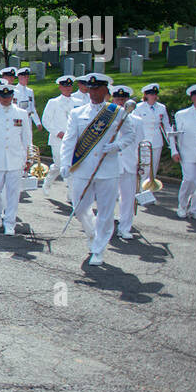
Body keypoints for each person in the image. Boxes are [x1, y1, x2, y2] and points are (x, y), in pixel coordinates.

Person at [61, 73, 138, 266]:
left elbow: (130, 135)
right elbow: (69, 140)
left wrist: (117, 146)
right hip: (83, 169)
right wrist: (65, 163)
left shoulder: (117, 112)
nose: (94, 93)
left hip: (108, 169)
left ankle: (99, 248)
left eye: (98, 89)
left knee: (106, 211)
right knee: (79, 209)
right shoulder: (77, 113)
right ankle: (93, 233)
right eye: (91, 89)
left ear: (106, 91)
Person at [0, 81, 33, 235]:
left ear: (12, 96)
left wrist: (28, 158)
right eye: (2, 96)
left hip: (15, 159)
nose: (5, 99)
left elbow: (27, 138)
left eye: (8, 96)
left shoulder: (21, 114)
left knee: (13, 193)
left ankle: (10, 222)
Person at [40, 75, 83, 193]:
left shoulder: (78, 102)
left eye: (69, 86)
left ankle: (71, 194)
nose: (67, 88)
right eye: (65, 86)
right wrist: (57, 132)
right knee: (59, 164)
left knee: (72, 166)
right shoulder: (53, 102)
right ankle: (48, 182)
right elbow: (46, 120)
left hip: (74, 139)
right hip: (58, 139)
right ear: (60, 87)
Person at [174, 83, 196, 220]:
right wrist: (174, 151)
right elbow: (174, 134)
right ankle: (182, 206)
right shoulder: (182, 114)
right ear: (192, 98)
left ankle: (195, 208)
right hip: (187, 152)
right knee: (189, 179)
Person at [111, 86, 139, 240]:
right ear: (113, 100)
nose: (121, 103)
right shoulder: (106, 119)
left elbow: (141, 143)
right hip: (111, 163)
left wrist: (142, 163)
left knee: (128, 198)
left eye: (123, 100)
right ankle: (106, 227)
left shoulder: (137, 121)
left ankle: (125, 227)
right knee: (107, 197)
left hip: (129, 162)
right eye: (118, 100)